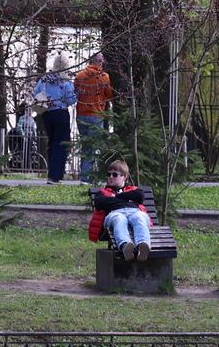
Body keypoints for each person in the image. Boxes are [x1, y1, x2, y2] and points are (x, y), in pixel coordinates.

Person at [88, 159, 152, 261]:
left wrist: (115, 197)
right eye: (109, 174)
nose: (110, 177)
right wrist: (126, 198)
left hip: (134, 212)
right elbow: (100, 203)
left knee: (139, 217)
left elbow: (140, 196)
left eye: (115, 174)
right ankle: (125, 246)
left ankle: (143, 246)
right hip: (114, 214)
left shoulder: (133, 189)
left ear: (125, 177)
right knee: (119, 219)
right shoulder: (103, 192)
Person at [74, 53, 116, 182]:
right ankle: (87, 178)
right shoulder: (104, 77)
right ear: (100, 62)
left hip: (81, 114)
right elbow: (109, 95)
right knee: (92, 147)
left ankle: (85, 176)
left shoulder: (80, 75)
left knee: (85, 146)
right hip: (96, 114)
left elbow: (74, 93)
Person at [33, 67, 74, 184]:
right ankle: (55, 176)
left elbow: (35, 93)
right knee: (61, 144)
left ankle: (51, 173)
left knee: (51, 142)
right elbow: (71, 99)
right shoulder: (65, 80)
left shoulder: (44, 79)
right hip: (61, 113)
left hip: (47, 113)